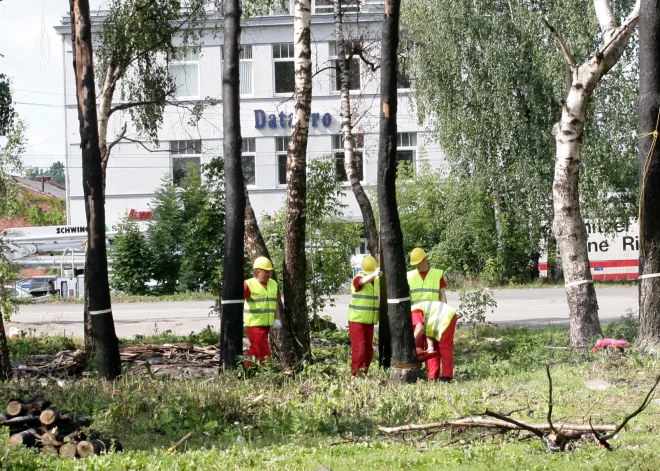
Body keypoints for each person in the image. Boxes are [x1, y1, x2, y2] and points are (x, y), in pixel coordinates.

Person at [407, 247, 448, 380]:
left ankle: (432, 377)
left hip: (434, 315)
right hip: (416, 317)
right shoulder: (409, 276)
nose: (417, 266)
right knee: (417, 348)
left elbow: (443, 296)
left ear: (425, 259)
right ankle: (417, 375)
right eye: (415, 264)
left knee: (433, 349)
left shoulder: (437, 274)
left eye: (419, 262)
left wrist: (443, 313)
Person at [243, 256, 282, 365]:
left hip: (266, 325)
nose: (269, 274)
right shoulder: (248, 284)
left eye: (269, 271)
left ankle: (244, 370)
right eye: (266, 271)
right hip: (254, 324)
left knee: (257, 351)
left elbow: (276, 302)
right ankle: (266, 371)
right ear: (258, 271)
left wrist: (277, 319)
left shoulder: (273, 284)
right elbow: (237, 300)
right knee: (264, 352)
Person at [348, 255, 381, 376]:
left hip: (369, 321)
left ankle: (364, 373)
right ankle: (356, 374)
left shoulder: (376, 281)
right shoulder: (358, 278)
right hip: (357, 320)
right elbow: (361, 282)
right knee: (359, 348)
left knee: (368, 350)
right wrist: (373, 275)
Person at [411, 300, 457, 382]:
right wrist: (430, 347)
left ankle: (447, 377)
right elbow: (429, 328)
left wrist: (410, 343)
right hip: (443, 317)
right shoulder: (418, 310)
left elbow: (420, 328)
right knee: (437, 350)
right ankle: (433, 376)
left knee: (445, 347)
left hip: (447, 317)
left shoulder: (414, 311)